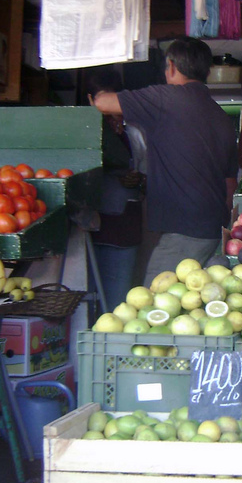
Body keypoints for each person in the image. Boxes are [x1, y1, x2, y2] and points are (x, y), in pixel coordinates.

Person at [93, 37, 239, 283]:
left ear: (171, 66)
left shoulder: (165, 99)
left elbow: (102, 103)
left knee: (154, 305)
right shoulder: (222, 116)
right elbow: (230, 184)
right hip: (212, 229)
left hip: (183, 232)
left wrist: (98, 88)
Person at [87, 67, 145, 309]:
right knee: (84, 299)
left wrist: (139, 180)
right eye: (101, 99)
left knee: (116, 301)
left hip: (124, 227)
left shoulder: (134, 132)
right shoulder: (85, 132)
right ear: (91, 100)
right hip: (88, 227)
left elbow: (148, 175)